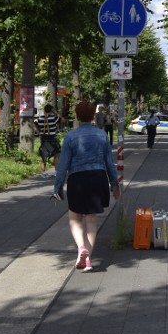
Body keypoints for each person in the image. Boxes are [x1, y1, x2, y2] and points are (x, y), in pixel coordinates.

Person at [52, 101, 121, 271]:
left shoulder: (70, 137)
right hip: (98, 178)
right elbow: (109, 162)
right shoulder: (102, 135)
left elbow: (63, 165)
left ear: (76, 115)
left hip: (77, 180)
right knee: (91, 219)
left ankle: (81, 248)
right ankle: (87, 259)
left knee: (75, 218)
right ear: (93, 116)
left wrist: (57, 187)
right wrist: (114, 183)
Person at [36, 103, 62, 174]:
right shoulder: (54, 118)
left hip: (44, 138)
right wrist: (55, 112)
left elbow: (38, 126)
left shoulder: (40, 118)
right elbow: (60, 118)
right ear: (51, 111)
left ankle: (43, 172)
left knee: (43, 155)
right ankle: (56, 171)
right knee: (56, 154)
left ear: (44, 110)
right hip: (52, 138)